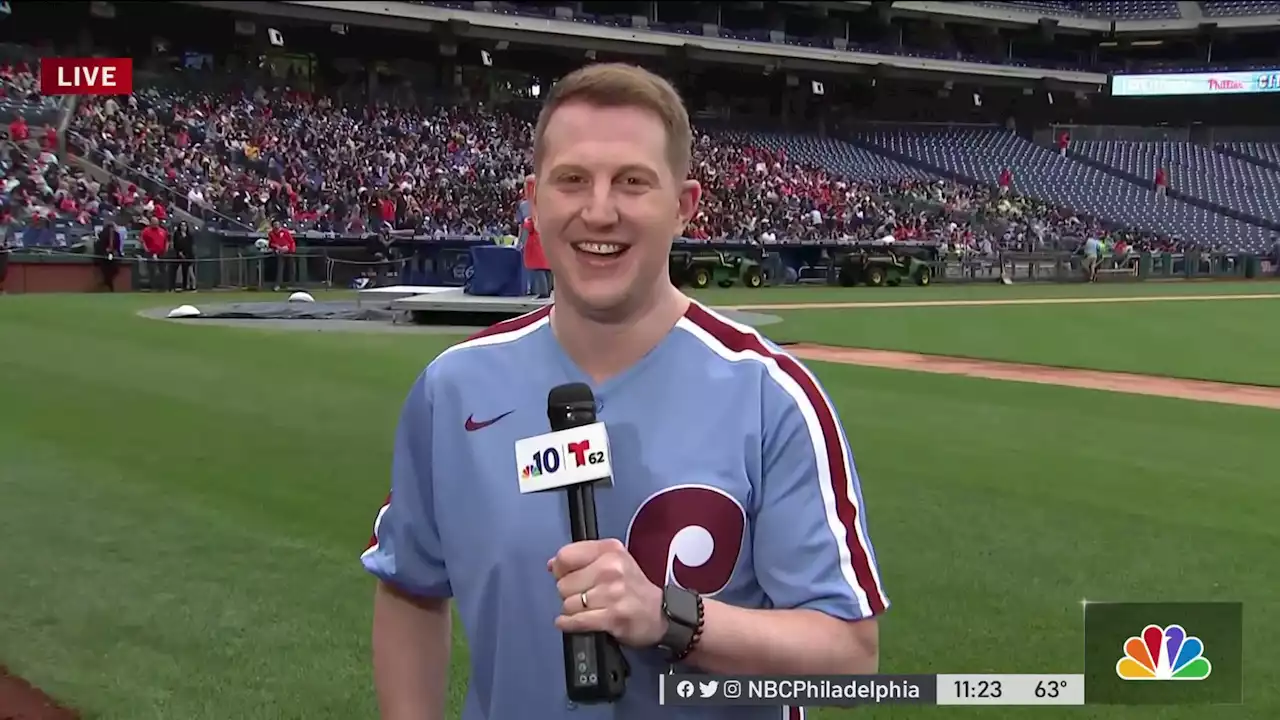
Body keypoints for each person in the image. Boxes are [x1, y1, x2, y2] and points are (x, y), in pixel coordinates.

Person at [361, 63, 888, 720]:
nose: (599, 210)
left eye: (632, 182)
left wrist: (673, 617)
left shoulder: (770, 397)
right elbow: (411, 587)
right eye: (572, 180)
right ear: (535, 199)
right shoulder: (454, 388)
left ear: (683, 206)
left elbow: (849, 654)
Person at [94, 220, 122, 291]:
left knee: (109, 270)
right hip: (106, 255)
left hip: (108, 255)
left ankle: (107, 282)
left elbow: (117, 246)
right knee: (111, 269)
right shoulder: (106, 234)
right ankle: (108, 283)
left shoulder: (114, 234)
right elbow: (101, 245)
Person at [169, 220, 196, 292]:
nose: (183, 227)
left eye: (185, 226)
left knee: (186, 271)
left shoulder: (189, 235)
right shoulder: (177, 234)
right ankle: (172, 286)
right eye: (182, 225)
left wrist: (186, 254)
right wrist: (179, 252)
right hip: (178, 255)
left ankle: (186, 286)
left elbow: (189, 246)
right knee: (174, 270)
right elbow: (175, 244)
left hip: (187, 255)